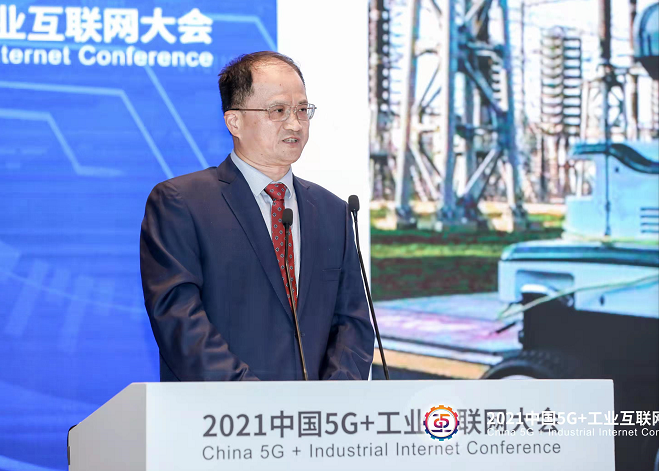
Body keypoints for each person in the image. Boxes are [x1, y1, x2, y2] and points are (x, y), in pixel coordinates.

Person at [140, 51, 375, 381]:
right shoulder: (182, 203)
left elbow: (353, 322)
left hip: (319, 412)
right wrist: (252, 399)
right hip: (220, 408)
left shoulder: (333, 211)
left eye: (302, 110)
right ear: (234, 122)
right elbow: (179, 320)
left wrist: (333, 399)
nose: (294, 124)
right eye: (278, 111)